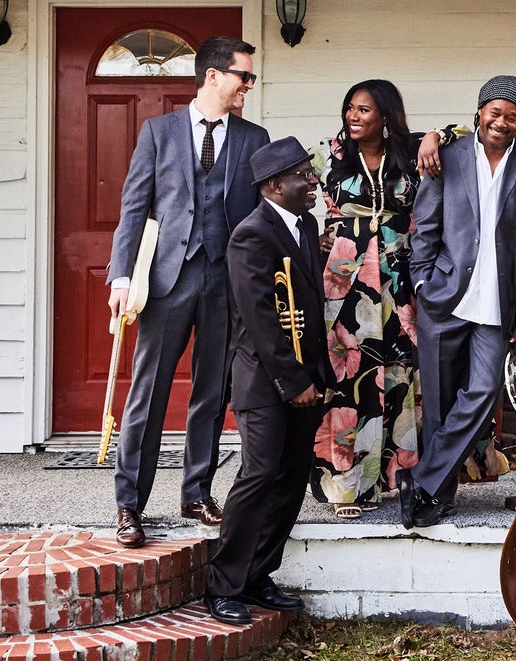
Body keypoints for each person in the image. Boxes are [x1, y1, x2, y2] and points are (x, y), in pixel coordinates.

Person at [105, 36, 270, 549]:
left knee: (211, 393)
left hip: (226, 280)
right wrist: (121, 276)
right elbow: (134, 207)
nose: (249, 85)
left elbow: (263, 213)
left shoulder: (255, 137)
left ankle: (196, 493)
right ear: (214, 75)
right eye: (244, 75)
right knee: (148, 392)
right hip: (167, 280)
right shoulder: (159, 132)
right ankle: (129, 504)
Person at [403, 75, 516, 529]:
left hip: (497, 304)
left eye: (512, 117)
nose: (502, 122)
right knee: (439, 402)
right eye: (495, 112)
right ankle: (439, 495)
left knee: (483, 392)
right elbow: (425, 226)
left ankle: (422, 479)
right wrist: (423, 282)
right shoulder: (447, 156)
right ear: (480, 112)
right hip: (444, 298)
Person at [308, 80, 458, 519]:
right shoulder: (328, 154)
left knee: (400, 370)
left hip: (400, 275)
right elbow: (284, 193)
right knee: (349, 373)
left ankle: (399, 475)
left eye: (364, 110)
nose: (353, 117)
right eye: (350, 108)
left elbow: (467, 131)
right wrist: (313, 237)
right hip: (344, 278)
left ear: (387, 116)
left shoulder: (412, 153)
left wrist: (436, 136)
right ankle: (348, 484)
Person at [202, 137, 334, 626]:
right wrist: (293, 381)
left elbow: (308, 305)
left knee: (292, 476)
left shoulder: (305, 226)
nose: (313, 181)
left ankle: (258, 575)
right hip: (264, 380)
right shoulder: (251, 235)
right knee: (258, 476)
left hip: (304, 376)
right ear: (274, 185)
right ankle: (223, 585)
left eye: (312, 172)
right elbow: (259, 318)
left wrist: (316, 375)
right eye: (303, 175)